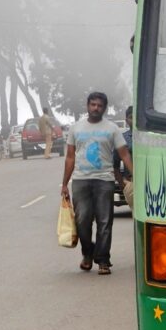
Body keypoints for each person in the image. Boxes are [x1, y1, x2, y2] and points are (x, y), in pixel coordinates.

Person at [61, 92, 133, 275]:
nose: (96, 108)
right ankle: (88, 253)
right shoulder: (76, 128)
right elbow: (70, 157)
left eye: (99, 105)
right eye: (93, 104)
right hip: (80, 180)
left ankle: (103, 260)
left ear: (104, 108)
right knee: (82, 220)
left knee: (104, 221)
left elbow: (124, 154)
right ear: (87, 106)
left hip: (104, 180)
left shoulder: (112, 129)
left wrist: (136, 175)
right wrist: (64, 184)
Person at [113, 105, 134, 209]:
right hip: (131, 183)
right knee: (136, 212)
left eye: (137, 117)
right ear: (127, 120)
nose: (134, 120)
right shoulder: (122, 139)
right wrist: (122, 184)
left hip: (151, 182)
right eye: (131, 117)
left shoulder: (151, 137)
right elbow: (115, 164)